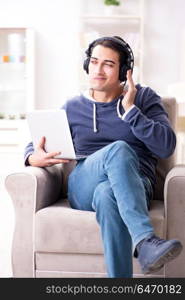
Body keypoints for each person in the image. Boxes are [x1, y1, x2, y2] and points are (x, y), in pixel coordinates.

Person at [24, 36, 183, 278]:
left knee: (109, 194)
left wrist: (131, 111)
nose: (98, 70)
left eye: (108, 64)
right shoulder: (72, 107)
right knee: (118, 149)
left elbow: (166, 147)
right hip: (84, 184)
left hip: (137, 182)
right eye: (94, 62)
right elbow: (34, 146)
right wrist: (32, 158)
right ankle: (145, 240)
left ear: (123, 71)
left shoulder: (144, 98)